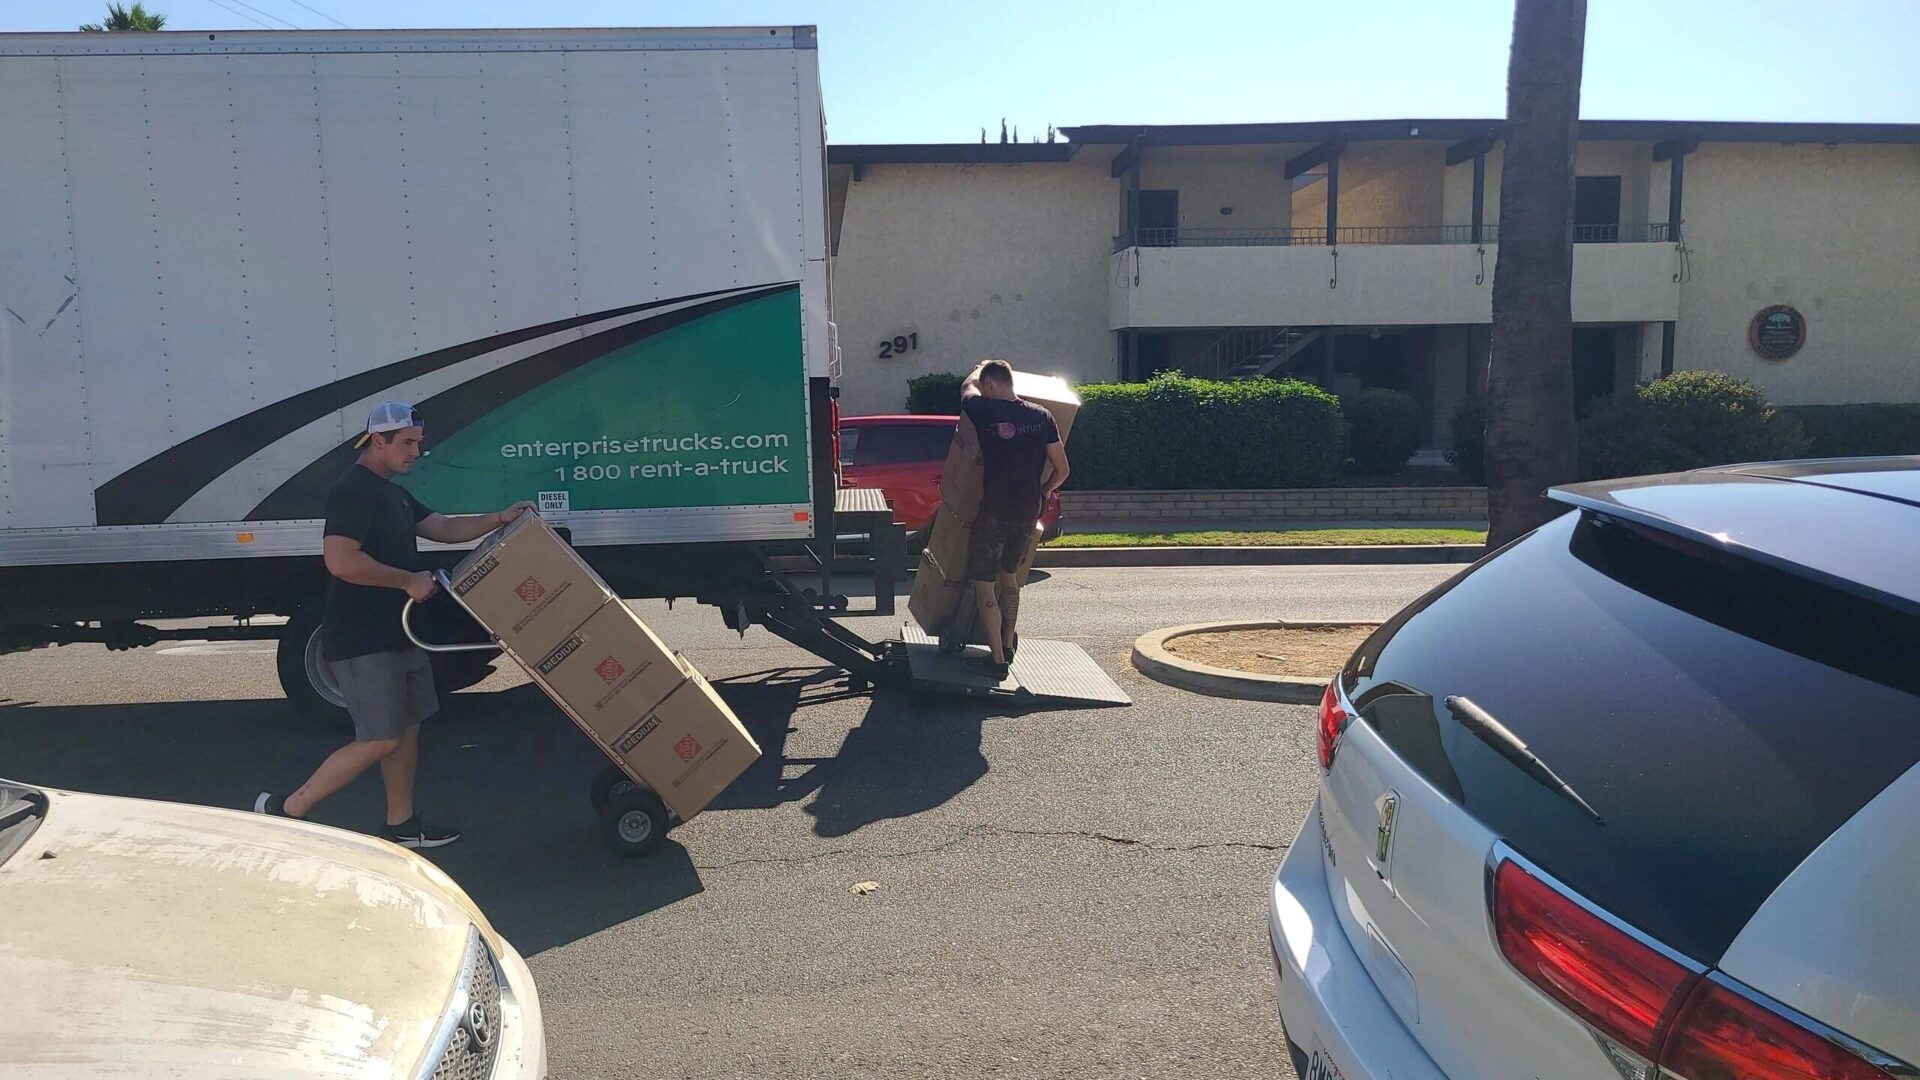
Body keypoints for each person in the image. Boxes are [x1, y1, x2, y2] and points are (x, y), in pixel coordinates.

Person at [255, 402, 534, 847]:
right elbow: (341, 561)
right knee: (380, 739)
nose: (416, 452)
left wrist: (499, 519)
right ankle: (285, 809)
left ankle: (401, 824)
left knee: (406, 729)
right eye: (407, 443)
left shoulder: (393, 493)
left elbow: (441, 526)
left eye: (418, 443)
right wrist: (407, 580)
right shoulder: (354, 491)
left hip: (398, 635)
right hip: (364, 640)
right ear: (378, 440)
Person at [958, 359, 1070, 678]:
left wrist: (977, 370)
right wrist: (1045, 490)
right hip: (1026, 511)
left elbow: (966, 388)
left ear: (990, 385)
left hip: (994, 510)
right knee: (1011, 577)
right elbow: (1063, 470)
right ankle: (1007, 642)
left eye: (985, 385)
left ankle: (996, 660)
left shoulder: (984, 410)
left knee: (984, 585)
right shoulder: (1041, 416)